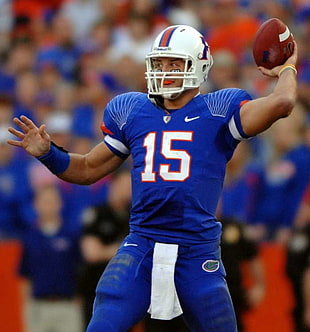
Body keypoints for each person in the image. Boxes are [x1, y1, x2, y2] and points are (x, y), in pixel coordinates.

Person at [7, 24, 298, 332]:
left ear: (198, 66)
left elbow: (282, 103)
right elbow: (87, 169)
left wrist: (286, 69)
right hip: (142, 244)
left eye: (175, 63)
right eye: (160, 63)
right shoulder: (133, 111)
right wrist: (48, 153)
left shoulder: (218, 109)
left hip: (195, 250)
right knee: (103, 322)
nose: (165, 71)